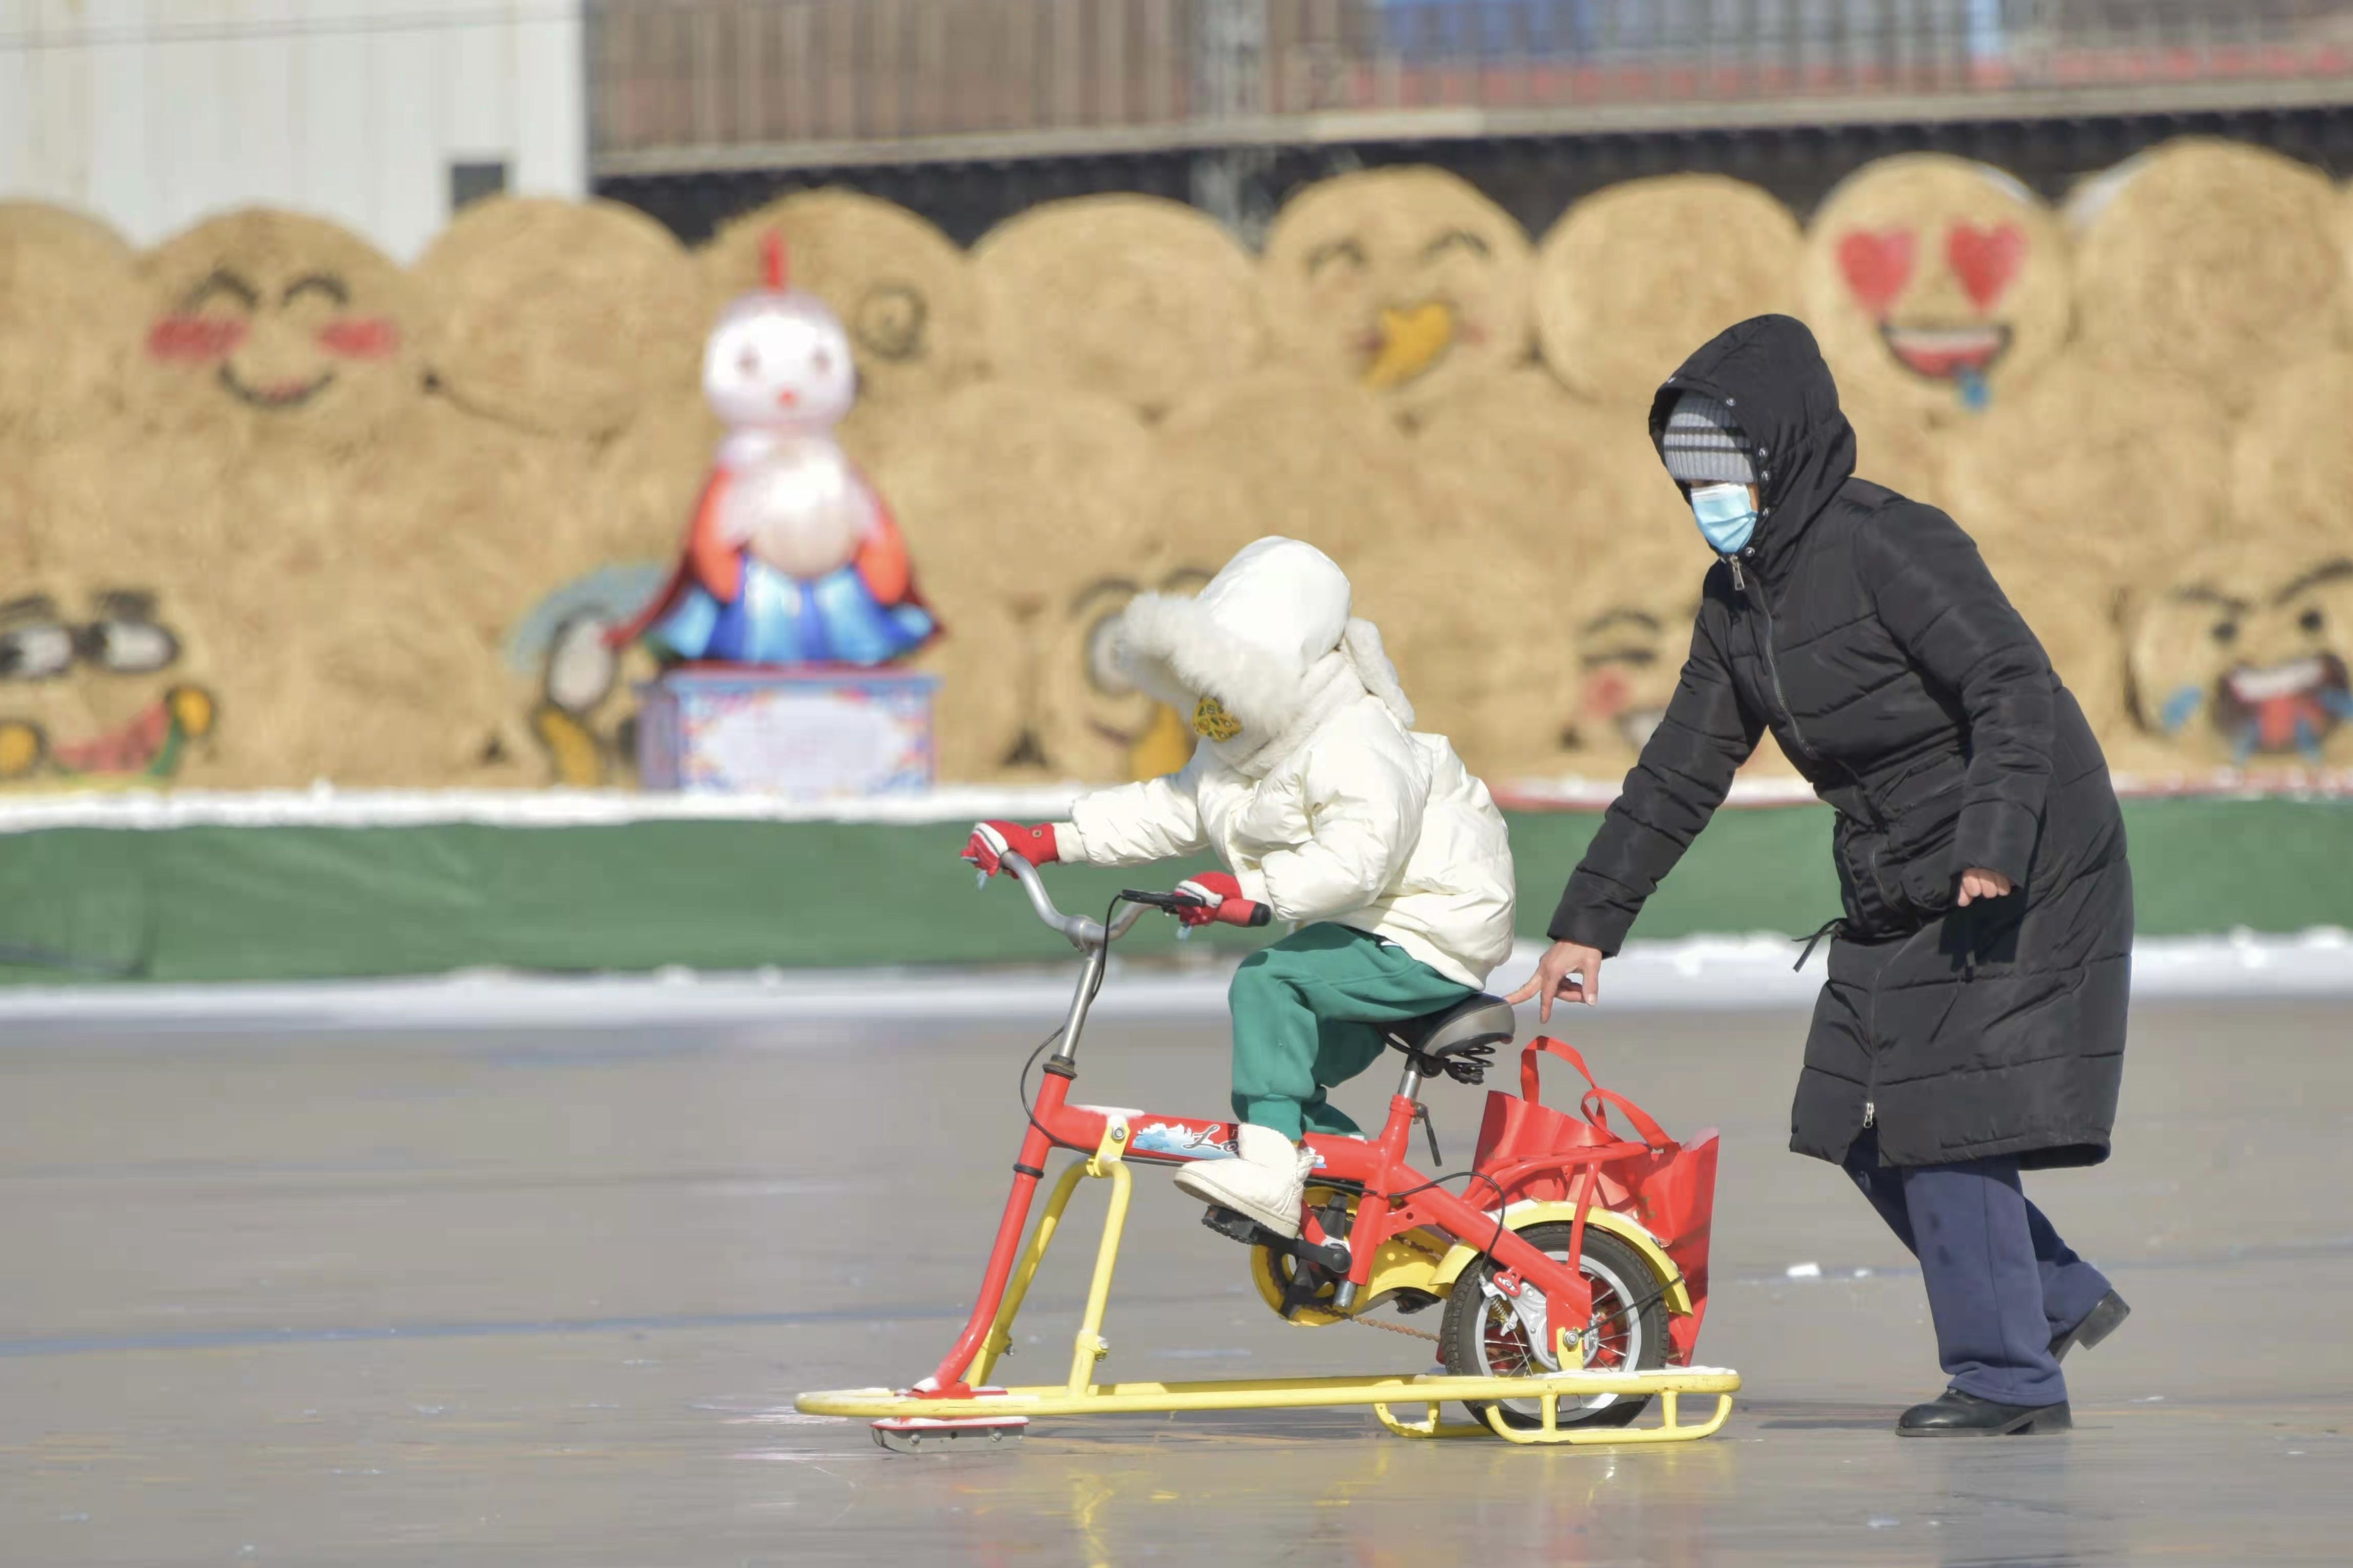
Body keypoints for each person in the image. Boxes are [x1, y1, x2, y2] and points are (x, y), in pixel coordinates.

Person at [1513, 315, 2133, 1437]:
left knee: (1942, 1118)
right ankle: (2046, 1291)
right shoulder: (1737, 598)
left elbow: (2011, 685)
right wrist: (1586, 925)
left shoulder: (1891, 543)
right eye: (1683, 472)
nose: (1703, 491)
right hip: (1900, 866)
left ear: (1780, 451)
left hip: (2021, 845)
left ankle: (2008, 1378)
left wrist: (1992, 838)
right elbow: (1678, 767)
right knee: (1847, 1108)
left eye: (1721, 468)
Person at [963, 537, 1516, 1238]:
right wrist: (1050, 840)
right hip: (1357, 929)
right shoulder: (1240, 746)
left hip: (1428, 928)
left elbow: (1362, 853)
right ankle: (1382, 1221)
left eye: (1220, 682)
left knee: (1266, 985)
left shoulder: (1355, 737)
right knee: (1278, 1087)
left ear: (1269, 672)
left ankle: (1275, 1179)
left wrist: (1254, 890)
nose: (1205, 703)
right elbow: (1171, 809)